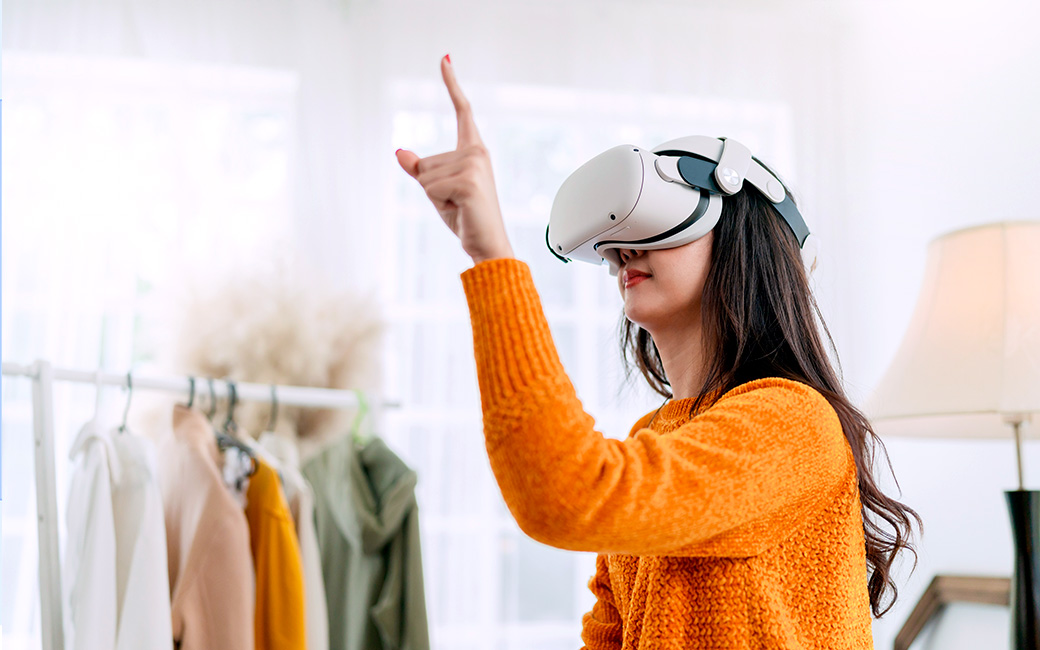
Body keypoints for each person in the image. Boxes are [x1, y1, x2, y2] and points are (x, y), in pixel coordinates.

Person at [396, 55, 920, 649]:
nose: (625, 252)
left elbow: (567, 495)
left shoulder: (794, 423)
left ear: (743, 239)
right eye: (618, 242)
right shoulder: (657, 435)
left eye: (657, 228)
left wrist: (493, 257)